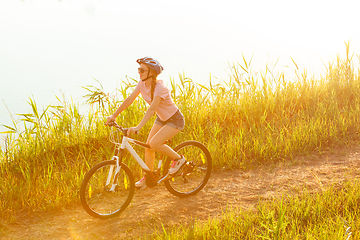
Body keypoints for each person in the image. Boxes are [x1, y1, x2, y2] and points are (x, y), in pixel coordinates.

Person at [106, 57, 186, 188]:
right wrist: (114, 115)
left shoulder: (160, 87)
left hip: (175, 119)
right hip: (162, 118)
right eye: (139, 69)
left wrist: (138, 127)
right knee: (148, 147)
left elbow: (152, 109)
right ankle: (149, 177)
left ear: (152, 73)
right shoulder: (142, 84)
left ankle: (179, 159)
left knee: (153, 144)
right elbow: (129, 100)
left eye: (142, 70)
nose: (139, 72)